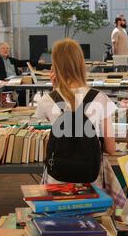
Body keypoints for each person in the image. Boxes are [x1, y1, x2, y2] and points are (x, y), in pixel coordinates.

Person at [35, 38, 116, 184]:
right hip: (91, 177)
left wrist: (55, 90)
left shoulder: (46, 100)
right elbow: (111, 148)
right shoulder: (100, 98)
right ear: (81, 63)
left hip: (58, 177)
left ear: (55, 66)